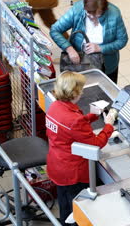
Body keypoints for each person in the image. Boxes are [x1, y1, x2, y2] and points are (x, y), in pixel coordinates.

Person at [45, 71, 116, 225]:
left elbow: (70, 129)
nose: (83, 92)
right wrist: (109, 125)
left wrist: (91, 116)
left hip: (56, 164)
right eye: (81, 89)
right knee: (76, 208)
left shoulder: (55, 106)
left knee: (64, 201)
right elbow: (96, 143)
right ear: (74, 92)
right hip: (73, 172)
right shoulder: (73, 120)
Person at [50, 0, 128, 83]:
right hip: (78, 64)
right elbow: (55, 30)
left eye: (97, 15)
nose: (92, 18)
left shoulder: (114, 14)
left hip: (106, 65)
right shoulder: (77, 10)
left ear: (104, 10)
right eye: (89, 14)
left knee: (106, 93)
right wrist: (70, 50)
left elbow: (122, 40)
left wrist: (100, 48)